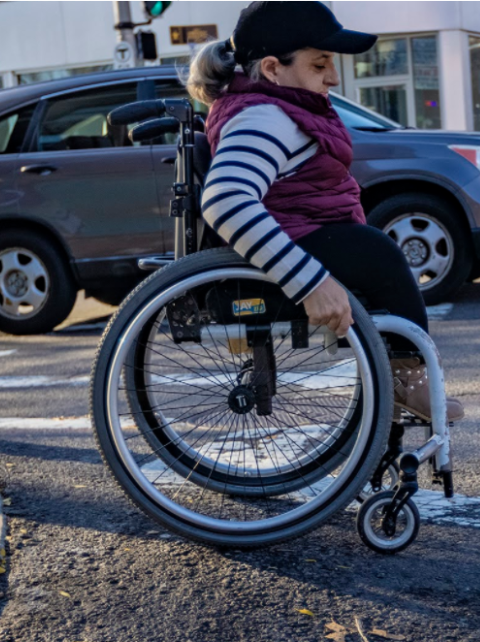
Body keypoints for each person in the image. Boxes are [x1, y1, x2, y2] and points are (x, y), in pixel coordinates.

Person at [187, 0, 463, 423]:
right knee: (377, 254)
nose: (333, 77)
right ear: (274, 69)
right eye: (320, 65)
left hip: (292, 239)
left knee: (368, 248)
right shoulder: (262, 117)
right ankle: (404, 381)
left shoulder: (277, 105)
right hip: (267, 273)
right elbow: (226, 201)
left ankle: (395, 379)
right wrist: (311, 283)